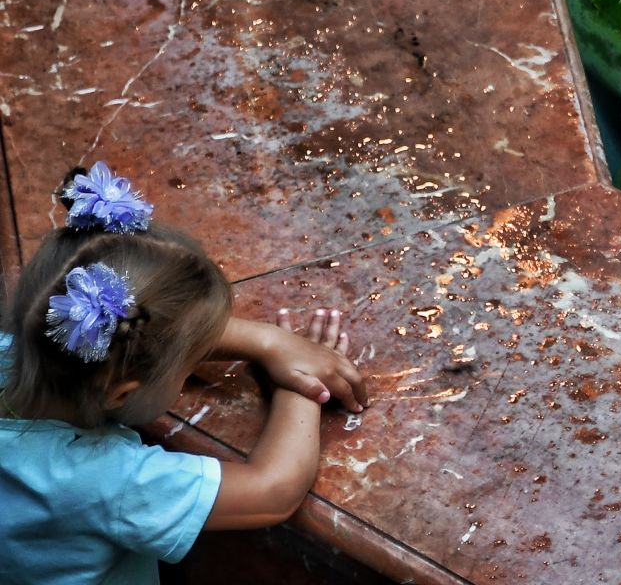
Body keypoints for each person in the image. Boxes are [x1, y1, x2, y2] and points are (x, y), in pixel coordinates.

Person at [0, 162, 369, 583]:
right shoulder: (106, 482)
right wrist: (302, 388)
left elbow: (141, 333)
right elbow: (275, 491)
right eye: (189, 363)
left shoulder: (19, 346)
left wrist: (269, 341)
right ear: (122, 394)